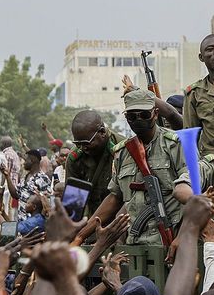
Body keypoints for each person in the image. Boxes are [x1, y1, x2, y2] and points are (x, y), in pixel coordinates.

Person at [75, 89, 187, 245]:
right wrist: (81, 235)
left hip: (172, 239)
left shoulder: (175, 144)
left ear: (155, 114)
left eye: (144, 115)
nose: (138, 120)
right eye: (132, 116)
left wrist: (183, 237)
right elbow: (115, 197)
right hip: (136, 241)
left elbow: (193, 195)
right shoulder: (123, 152)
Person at [65, 110, 124, 216]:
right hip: (93, 217)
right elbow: (74, 204)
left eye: (86, 143)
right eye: (78, 144)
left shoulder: (123, 150)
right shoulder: (75, 158)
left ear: (102, 132)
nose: (83, 148)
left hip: (122, 216)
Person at [1, 149, 51, 222]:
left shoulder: (43, 179)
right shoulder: (25, 177)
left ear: (33, 160)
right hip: (22, 222)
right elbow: (15, 195)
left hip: (34, 224)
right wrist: (7, 176)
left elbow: (46, 203)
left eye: (26, 160)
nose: (24, 163)